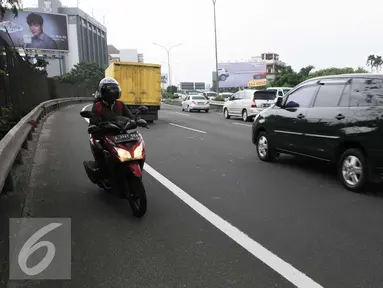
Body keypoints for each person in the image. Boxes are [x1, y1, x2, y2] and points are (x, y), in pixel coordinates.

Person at [88, 78, 134, 192]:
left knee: (132, 152)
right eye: (109, 91)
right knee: (102, 156)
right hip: (103, 136)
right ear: (103, 92)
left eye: (114, 90)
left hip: (120, 134)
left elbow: (130, 117)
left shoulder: (120, 105)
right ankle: (104, 176)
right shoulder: (98, 106)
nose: (112, 93)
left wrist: (137, 121)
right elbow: (93, 122)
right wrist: (95, 127)